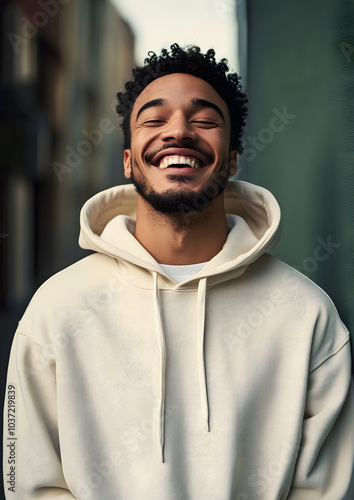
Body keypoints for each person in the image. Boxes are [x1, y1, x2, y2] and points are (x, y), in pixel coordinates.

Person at [3, 44, 354, 499]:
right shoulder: (57, 308)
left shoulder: (307, 314)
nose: (179, 132)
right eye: (154, 119)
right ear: (129, 160)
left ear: (231, 159)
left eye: (204, 120)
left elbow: (325, 491)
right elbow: (30, 481)